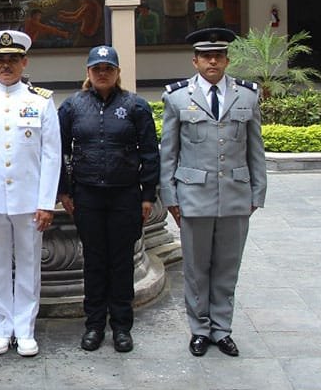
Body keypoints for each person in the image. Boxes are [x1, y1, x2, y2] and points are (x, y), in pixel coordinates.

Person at [159, 27, 267, 358]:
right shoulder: (177, 97)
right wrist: (170, 198)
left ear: (226, 60)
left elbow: (255, 149)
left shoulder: (247, 95)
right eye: (206, 56)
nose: (212, 61)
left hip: (235, 195)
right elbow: (168, 153)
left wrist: (257, 194)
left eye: (218, 56)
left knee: (227, 267)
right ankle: (200, 330)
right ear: (195, 62)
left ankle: (222, 329)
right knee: (195, 268)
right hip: (194, 196)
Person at [0, 30, 61, 357]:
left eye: (13, 59)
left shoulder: (40, 102)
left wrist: (47, 202)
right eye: (0, 59)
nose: (6, 65)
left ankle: (25, 329)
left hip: (29, 200)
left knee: (30, 264)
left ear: (24, 62)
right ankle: (2, 327)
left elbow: (52, 155)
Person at [57, 45, 160, 354]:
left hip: (125, 195)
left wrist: (148, 195)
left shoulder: (135, 106)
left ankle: (122, 327)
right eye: (96, 68)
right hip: (87, 195)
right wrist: (64, 191)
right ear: (88, 72)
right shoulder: (72, 106)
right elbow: (60, 153)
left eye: (108, 68)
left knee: (121, 262)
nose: (102, 73)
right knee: (94, 262)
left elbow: (150, 153)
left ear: (117, 73)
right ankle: (94, 325)